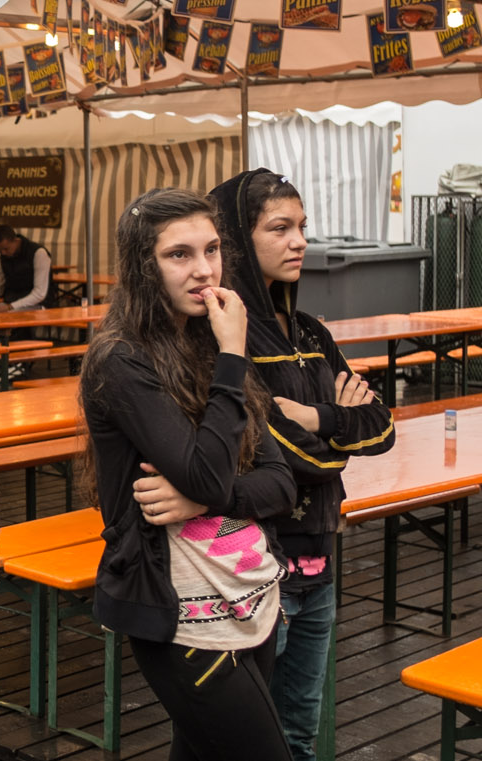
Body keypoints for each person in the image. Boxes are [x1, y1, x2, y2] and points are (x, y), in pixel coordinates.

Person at [78, 187, 296, 761]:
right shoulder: (121, 359)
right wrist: (232, 355)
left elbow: (281, 482)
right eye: (179, 255)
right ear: (142, 267)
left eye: (212, 249)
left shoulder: (209, 340)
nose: (203, 270)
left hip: (252, 596)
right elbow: (205, 472)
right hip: (181, 616)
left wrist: (205, 503)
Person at [211, 168, 395, 761]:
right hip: (257, 572)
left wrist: (318, 420)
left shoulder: (312, 331)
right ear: (240, 240)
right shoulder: (226, 340)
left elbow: (384, 426)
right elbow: (279, 455)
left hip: (319, 568)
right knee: (248, 744)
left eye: (302, 228)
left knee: (298, 737)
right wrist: (335, 429)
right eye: (280, 228)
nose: (299, 242)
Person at [0, 224, 51, 312]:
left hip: (37, 305)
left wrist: (10, 306)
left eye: (6, 249)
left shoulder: (38, 253)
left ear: (16, 241)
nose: (3, 253)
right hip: (10, 302)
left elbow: (39, 294)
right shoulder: (1, 257)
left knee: (3, 318)